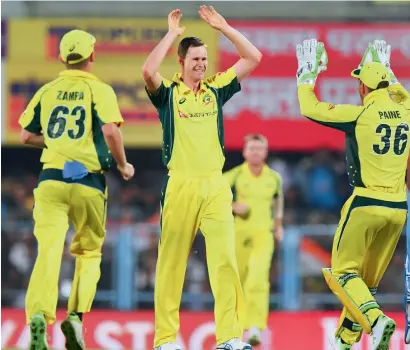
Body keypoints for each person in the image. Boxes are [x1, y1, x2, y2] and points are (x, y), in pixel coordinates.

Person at [142, 6, 262, 350]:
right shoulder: (168, 94)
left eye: (204, 59)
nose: (201, 64)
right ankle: (165, 339)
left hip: (215, 185)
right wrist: (171, 35)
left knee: (225, 260)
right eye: (194, 59)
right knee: (172, 263)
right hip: (180, 184)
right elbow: (148, 70)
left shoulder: (215, 89)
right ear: (181, 62)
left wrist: (224, 27)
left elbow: (253, 57)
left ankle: (230, 338)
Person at [20, 29, 134, 350]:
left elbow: (26, 136)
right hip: (88, 182)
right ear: (92, 57)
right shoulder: (100, 90)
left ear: (61, 58)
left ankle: (39, 317)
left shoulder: (47, 90)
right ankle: (75, 317)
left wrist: (58, 143)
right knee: (88, 252)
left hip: (51, 180)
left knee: (49, 251)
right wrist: (123, 164)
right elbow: (110, 130)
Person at [296, 38, 410, 350]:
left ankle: (376, 321)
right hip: (399, 208)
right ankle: (345, 341)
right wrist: (389, 75)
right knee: (365, 284)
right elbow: (402, 95)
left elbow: (310, 107)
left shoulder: (359, 115)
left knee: (343, 274)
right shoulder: (406, 111)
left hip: (366, 203)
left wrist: (306, 76)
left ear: (363, 88)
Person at [224, 134, 284, 346]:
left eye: (260, 148)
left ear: (265, 152)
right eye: (252, 148)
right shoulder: (235, 175)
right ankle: (235, 326)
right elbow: (215, 194)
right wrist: (233, 207)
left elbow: (278, 201)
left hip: (263, 234)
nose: (256, 152)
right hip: (238, 233)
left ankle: (256, 326)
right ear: (244, 152)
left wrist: (278, 225)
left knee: (258, 279)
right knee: (237, 281)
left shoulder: (274, 178)